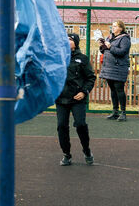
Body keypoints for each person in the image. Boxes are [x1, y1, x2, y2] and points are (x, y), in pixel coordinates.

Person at [56, 33, 97, 166]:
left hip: (77, 98)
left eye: (70, 39)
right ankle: (66, 154)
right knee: (62, 126)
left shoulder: (82, 59)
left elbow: (91, 78)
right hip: (61, 98)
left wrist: (84, 92)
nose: (67, 41)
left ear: (76, 43)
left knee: (80, 124)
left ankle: (86, 150)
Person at [98, 20, 131, 121]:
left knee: (119, 90)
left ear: (121, 28)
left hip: (119, 67)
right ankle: (115, 112)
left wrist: (110, 46)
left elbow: (122, 52)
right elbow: (104, 50)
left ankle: (123, 113)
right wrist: (102, 45)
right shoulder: (110, 37)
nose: (113, 28)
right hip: (109, 67)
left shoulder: (125, 39)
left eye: (115, 26)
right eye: (112, 26)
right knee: (112, 90)